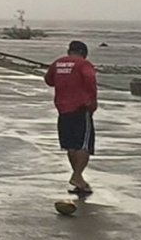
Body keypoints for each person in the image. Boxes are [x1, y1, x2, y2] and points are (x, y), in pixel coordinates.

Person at [45, 39, 98, 197]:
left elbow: (49, 80)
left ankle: (79, 180)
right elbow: (90, 81)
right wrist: (93, 102)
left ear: (69, 51)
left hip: (63, 109)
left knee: (71, 146)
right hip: (81, 108)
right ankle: (77, 176)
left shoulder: (58, 63)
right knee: (84, 145)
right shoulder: (83, 64)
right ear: (83, 53)